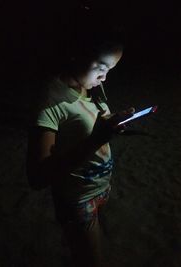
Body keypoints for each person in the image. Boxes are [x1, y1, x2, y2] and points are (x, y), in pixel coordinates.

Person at [26, 9, 135, 267]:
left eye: (110, 69)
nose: (104, 77)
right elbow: (37, 176)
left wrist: (110, 126)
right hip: (77, 200)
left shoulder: (90, 87)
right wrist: (97, 139)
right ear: (77, 53)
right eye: (100, 67)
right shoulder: (50, 102)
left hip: (100, 190)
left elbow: (86, 129)